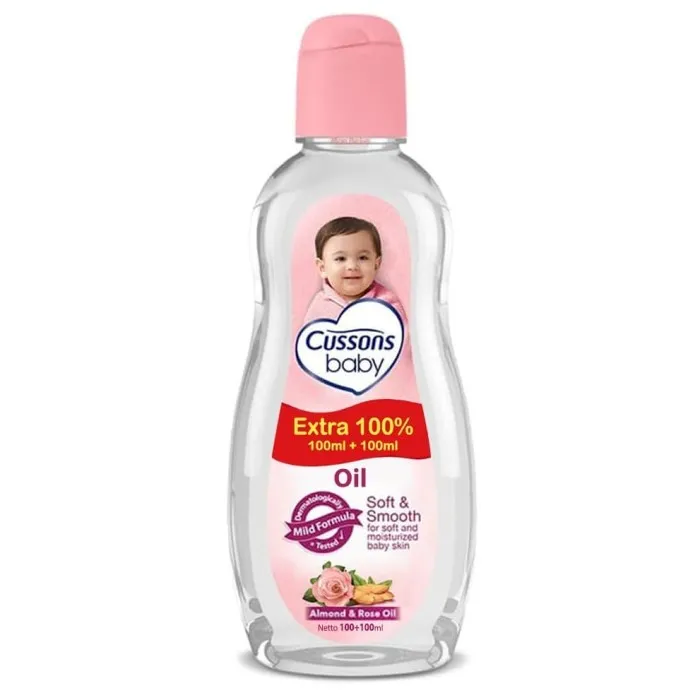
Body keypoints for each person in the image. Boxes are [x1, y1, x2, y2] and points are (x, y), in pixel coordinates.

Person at [302, 216, 407, 326]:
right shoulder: (319, 306)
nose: (352, 266)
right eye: (341, 258)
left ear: (376, 264)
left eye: (362, 258)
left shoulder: (387, 304)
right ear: (322, 268)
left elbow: (401, 335)